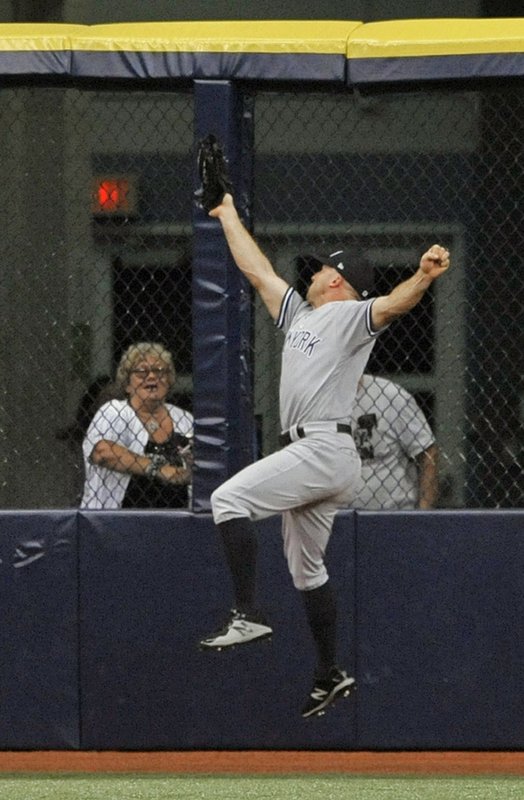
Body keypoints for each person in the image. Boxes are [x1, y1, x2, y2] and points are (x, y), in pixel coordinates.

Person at [199, 192, 450, 719]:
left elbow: (393, 304)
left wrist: (424, 276)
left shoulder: (348, 316)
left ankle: (246, 612)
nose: (311, 274)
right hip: (318, 453)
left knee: (228, 500)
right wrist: (227, 214)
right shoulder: (300, 316)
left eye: (319, 270)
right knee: (307, 570)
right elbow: (259, 272)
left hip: (322, 446)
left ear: (336, 280)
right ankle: (329, 672)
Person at [81, 342, 193, 510]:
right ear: (127, 384)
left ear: (169, 381)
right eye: (142, 372)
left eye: (159, 371)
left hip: (177, 518)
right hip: (118, 519)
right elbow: (102, 452)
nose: (152, 377)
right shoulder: (114, 411)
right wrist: (159, 469)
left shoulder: (185, 418)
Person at [350, 373, 438, 510]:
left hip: (394, 515)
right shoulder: (321, 401)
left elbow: (427, 452)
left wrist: (424, 512)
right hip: (337, 517)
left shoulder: (391, 396)